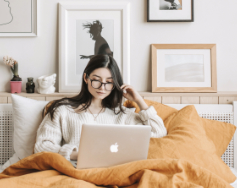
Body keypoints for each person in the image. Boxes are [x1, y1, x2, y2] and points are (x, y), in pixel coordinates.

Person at [34, 54, 167, 161]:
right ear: (86, 78)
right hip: (75, 171)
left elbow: (158, 132)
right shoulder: (63, 111)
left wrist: (139, 100)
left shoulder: (123, 114)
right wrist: (77, 155)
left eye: (109, 82)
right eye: (96, 80)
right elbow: (42, 147)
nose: (102, 87)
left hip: (114, 172)